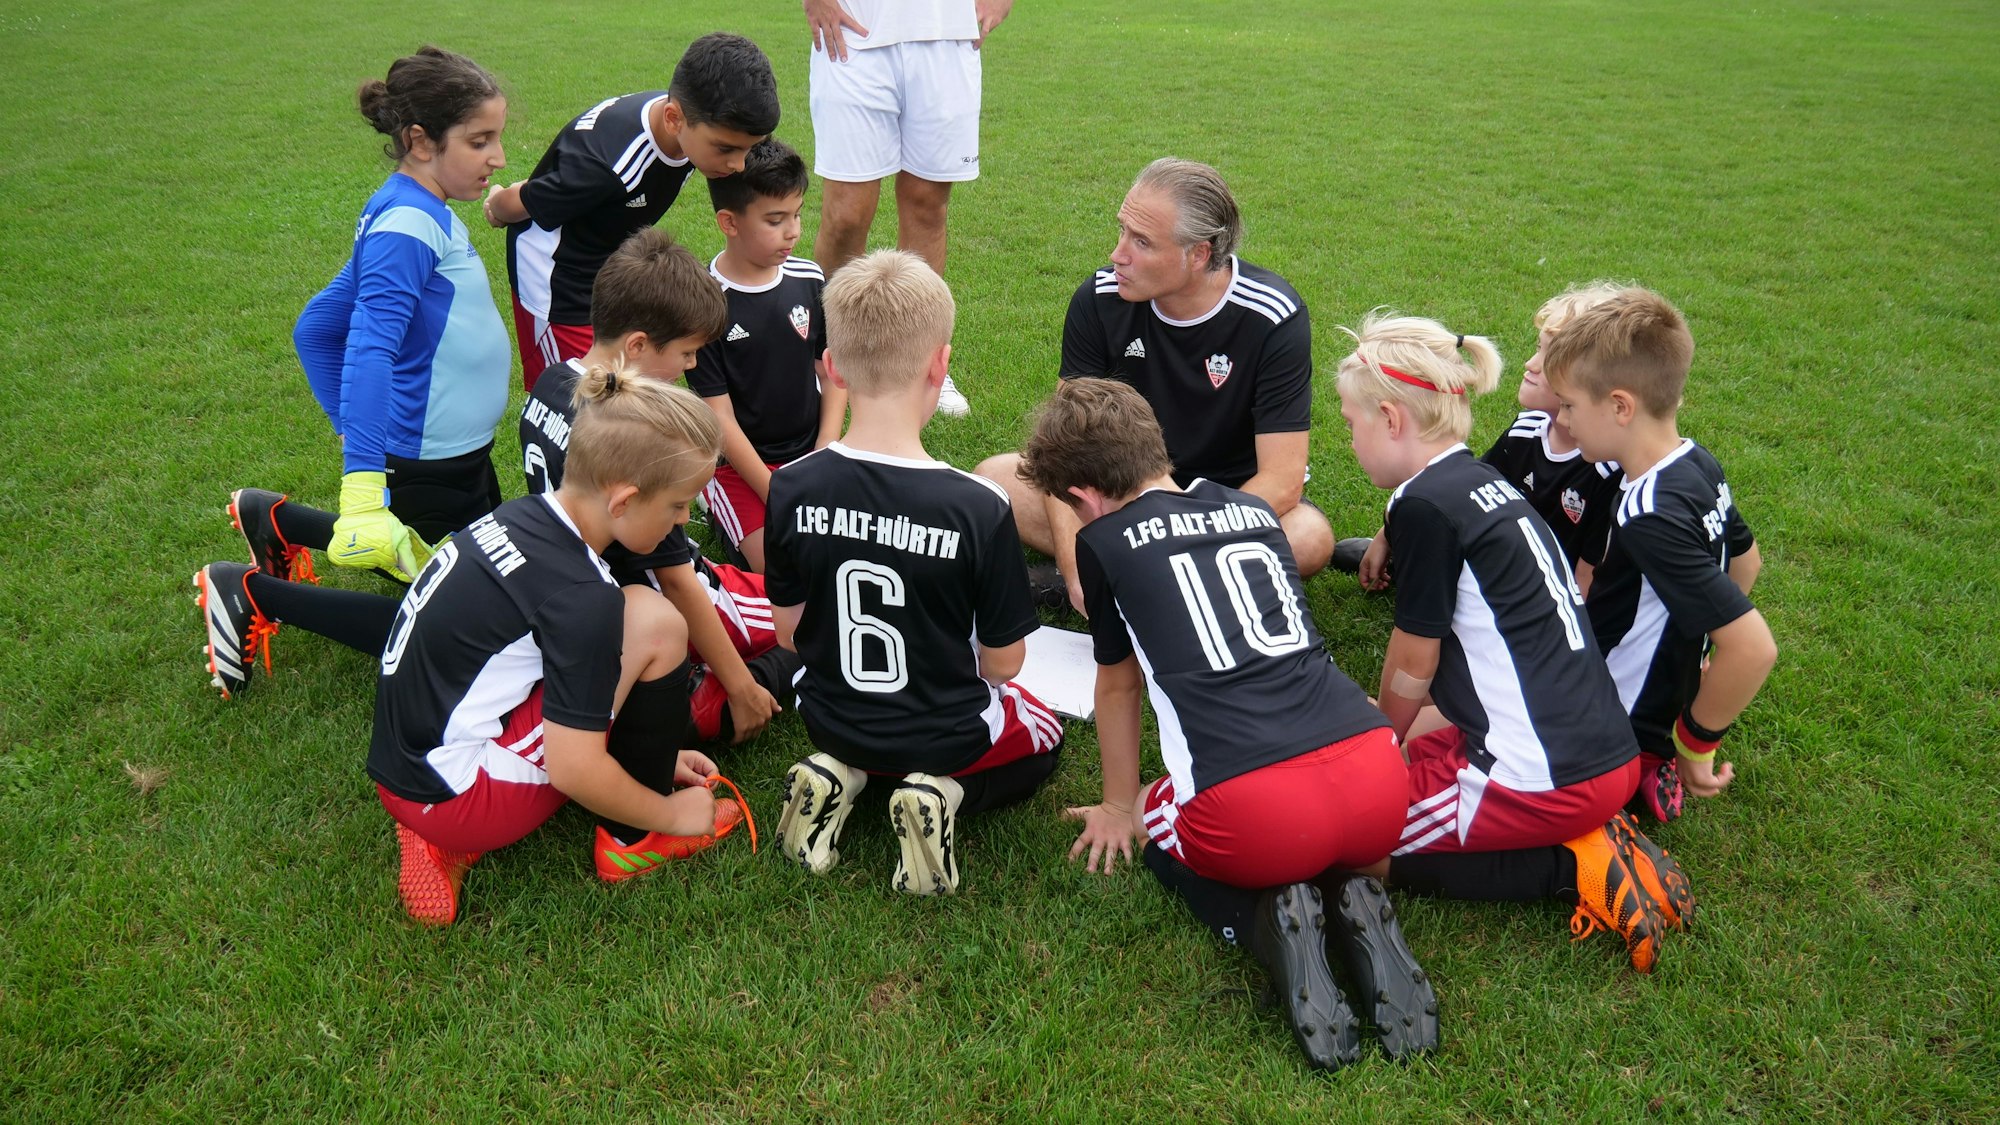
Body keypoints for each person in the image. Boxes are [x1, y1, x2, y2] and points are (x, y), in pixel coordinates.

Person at [1018, 377, 1436, 1070]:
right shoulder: (1252, 511)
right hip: (1375, 777)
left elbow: (1118, 685)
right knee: (1307, 813)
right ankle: (1350, 893)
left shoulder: (1105, 540)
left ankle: (1270, 926)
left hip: (1257, 812)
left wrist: (1119, 805)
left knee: (1157, 816)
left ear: (1085, 498)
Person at [1335, 310, 1691, 975]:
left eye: (1351, 422)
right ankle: (1583, 828)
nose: (1349, 439)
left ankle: (1576, 863)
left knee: (1345, 842)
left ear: (1391, 418)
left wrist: (1379, 740)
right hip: (1599, 750)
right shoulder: (1482, 482)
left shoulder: (1425, 506)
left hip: (1538, 776)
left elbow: (1415, 660)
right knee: (1389, 759)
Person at [374, 372, 746, 925]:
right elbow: (575, 770)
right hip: (451, 794)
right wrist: (670, 813)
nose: (684, 520)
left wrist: (655, 756)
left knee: (635, 620)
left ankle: (438, 811)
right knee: (656, 624)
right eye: (676, 505)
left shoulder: (521, 516)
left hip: (409, 755)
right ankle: (634, 843)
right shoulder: (582, 597)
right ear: (623, 499)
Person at [196, 46, 511, 697]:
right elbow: (367, 346)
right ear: (419, 140)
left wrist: (349, 422)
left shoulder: (418, 209)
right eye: (480, 140)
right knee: (453, 622)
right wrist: (364, 487)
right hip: (426, 461)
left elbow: (315, 326)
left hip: (454, 455)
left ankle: (274, 520)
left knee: (484, 580)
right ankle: (251, 593)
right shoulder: (405, 226)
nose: (498, 157)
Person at [764, 251, 1063, 895]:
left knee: (861, 727)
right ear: (940, 363)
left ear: (833, 368)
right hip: (944, 731)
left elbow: (788, 634)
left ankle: (839, 772)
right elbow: (1004, 665)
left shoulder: (789, 485)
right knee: (1046, 733)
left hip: (828, 715)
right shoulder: (980, 506)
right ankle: (943, 793)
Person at [977, 158, 1333, 613]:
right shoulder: (1099, 299)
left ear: (1199, 254)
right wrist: (1075, 576)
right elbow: (1065, 450)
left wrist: (1169, 530)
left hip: (1221, 501)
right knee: (996, 481)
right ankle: (1155, 579)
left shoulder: (1271, 316)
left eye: (1141, 241)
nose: (1117, 254)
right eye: (1122, 231)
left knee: (1308, 538)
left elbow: (1281, 482)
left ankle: (1128, 568)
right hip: (1119, 491)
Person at [520, 228, 795, 747]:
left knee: (783, 593)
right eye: (688, 354)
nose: (691, 368)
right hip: (654, 603)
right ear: (639, 345)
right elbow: (676, 581)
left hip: (602, 598)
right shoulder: (637, 437)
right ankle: (721, 698)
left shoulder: (553, 380)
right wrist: (741, 687)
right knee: (814, 619)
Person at [1543, 288, 1777, 824]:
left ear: (1621, 406)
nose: (1564, 418)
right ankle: (1647, 767)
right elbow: (1746, 563)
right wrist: (1693, 651)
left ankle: (1643, 766)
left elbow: (1752, 648)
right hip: (1646, 707)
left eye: (1571, 405)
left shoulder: (1647, 513)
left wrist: (1697, 745)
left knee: (1459, 717)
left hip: (1607, 716)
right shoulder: (1697, 463)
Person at [484, 32, 778, 392]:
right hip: (557, 280)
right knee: (573, 392)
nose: (738, 164)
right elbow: (525, 200)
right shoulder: (608, 167)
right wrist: (495, 205)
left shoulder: (689, 121)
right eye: (727, 149)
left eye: (750, 149)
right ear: (674, 119)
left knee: (620, 386)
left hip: (608, 262)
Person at [1358, 282, 1628, 596]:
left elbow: (1588, 578)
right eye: (1538, 348)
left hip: (1541, 600)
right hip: (1503, 568)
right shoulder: (1527, 429)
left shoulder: (1608, 471)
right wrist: (1385, 537)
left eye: (1549, 356)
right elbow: (1461, 492)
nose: (1531, 364)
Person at [803, 0, 1006, 416]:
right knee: (846, 216)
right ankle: (828, 359)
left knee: (926, 205)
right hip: (853, 30)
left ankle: (922, 363)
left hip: (946, 32)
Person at [688, 139, 846, 573]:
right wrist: (774, 488)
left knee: (854, 544)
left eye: (797, 214)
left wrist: (826, 447)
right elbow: (718, 418)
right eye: (775, 220)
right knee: (785, 569)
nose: (793, 231)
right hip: (740, 469)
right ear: (729, 222)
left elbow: (832, 373)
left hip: (811, 452)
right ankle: (717, 507)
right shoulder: (705, 301)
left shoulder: (808, 279)